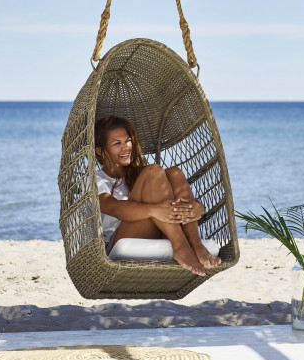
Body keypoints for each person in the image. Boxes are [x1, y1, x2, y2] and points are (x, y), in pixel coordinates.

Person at [94, 115, 221, 277]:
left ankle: (196, 244)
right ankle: (181, 247)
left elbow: (175, 199)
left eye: (128, 141)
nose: (125, 147)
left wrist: (199, 207)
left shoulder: (140, 176)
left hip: (160, 229)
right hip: (119, 240)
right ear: (100, 151)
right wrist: (154, 210)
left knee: (174, 173)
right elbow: (115, 209)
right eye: (117, 143)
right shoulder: (97, 180)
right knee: (153, 171)